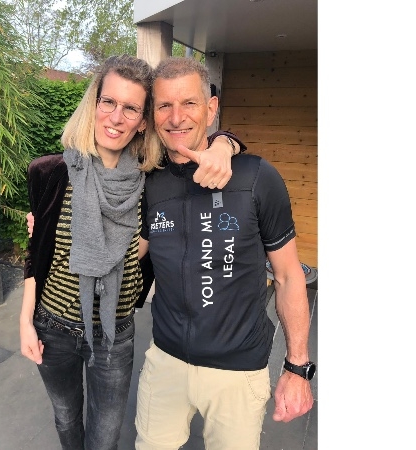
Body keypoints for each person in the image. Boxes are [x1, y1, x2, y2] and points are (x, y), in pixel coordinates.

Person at [20, 54, 244, 450]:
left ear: (142, 121)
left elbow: (204, 143)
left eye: (131, 108)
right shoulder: (50, 172)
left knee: (105, 436)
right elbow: (35, 254)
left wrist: (226, 144)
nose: (116, 117)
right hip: (53, 326)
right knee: (66, 417)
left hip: (115, 333)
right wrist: (25, 321)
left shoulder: (150, 181)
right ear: (94, 103)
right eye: (108, 102)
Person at [134, 57, 315, 450]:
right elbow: (129, 249)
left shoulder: (255, 177)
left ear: (211, 108)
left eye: (189, 103)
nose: (176, 117)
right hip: (165, 361)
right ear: (152, 114)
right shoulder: (149, 181)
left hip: (238, 371)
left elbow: (288, 276)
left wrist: (297, 367)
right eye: (164, 105)